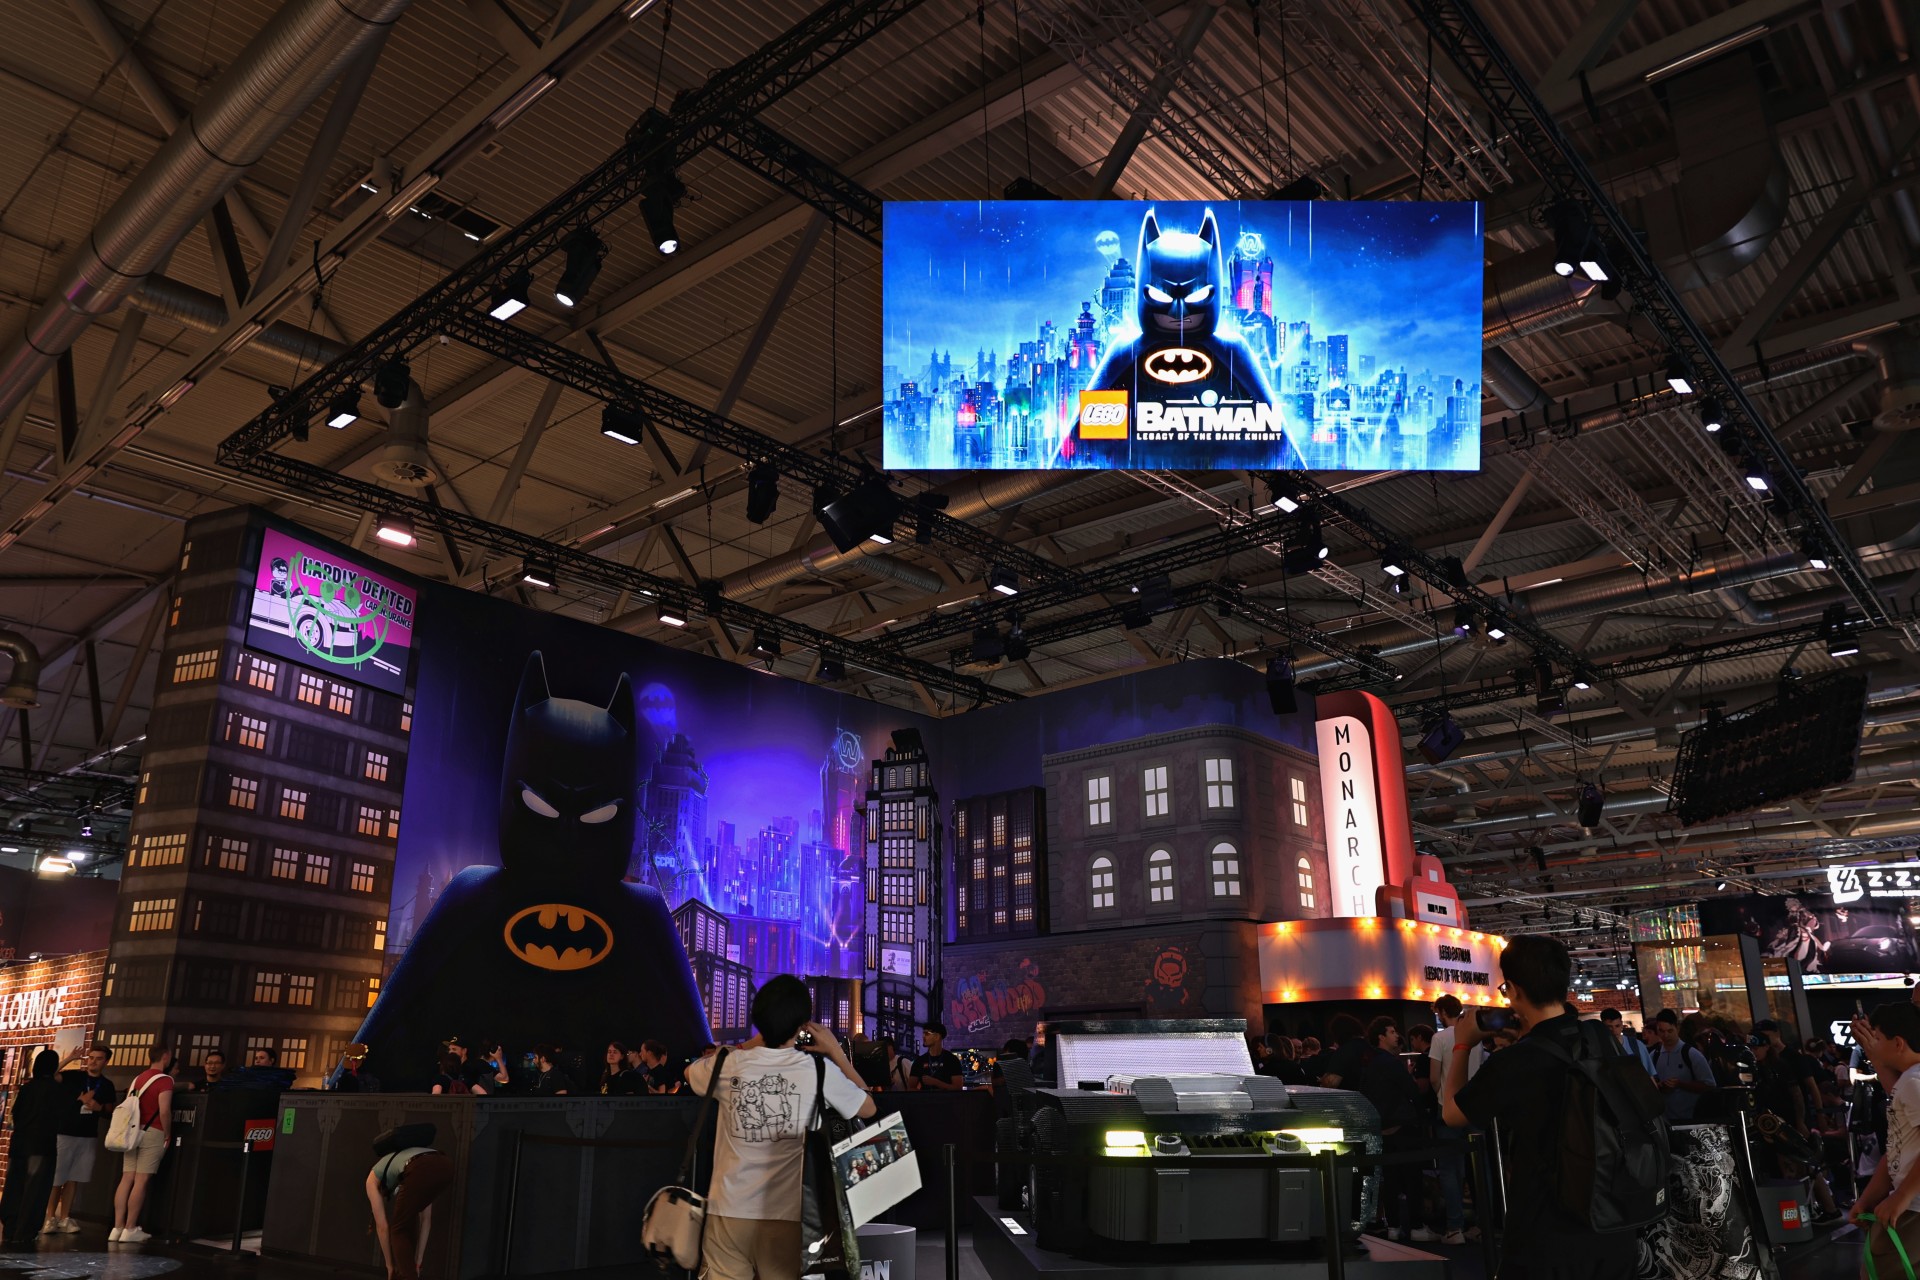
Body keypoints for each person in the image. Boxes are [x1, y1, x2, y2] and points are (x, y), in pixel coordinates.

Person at [1441, 935, 1638, 1279]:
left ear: (1513, 990)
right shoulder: (1599, 1036)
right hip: (1612, 1220)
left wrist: (1462, 1046)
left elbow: (1452, 1114)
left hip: (1545, 1230)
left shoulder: (1513, 1062)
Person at [684, 975, 876, 1280]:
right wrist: (835, 1052)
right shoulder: (818, 1070)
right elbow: (868, 1107)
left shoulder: (730, 1064)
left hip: (727, 1210)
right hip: (791, 1216)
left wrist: (754, 1042)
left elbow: (690, 1072)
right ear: (801, 1025)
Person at [1850, 1001, 1920, 1273]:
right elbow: (1898, 1148)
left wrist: (1901, 1196)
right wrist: (1870, 1198)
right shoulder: (1909, 1080)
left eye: (1877, 1037)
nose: (1872, 1042)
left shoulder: (1913, 1082)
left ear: (1898, 1042)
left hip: (1913, 1208)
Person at [1356, 1017, 1424, 1242]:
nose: (1397, 1035)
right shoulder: (1391, 1063)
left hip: (1380, 1127)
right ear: (1381, 1037)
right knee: (1412, 1177)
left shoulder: (1368, 1063)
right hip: (1401, 1125)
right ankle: (1416, 1225)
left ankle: (1393, 1224)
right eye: (1392, 1032)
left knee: (1390, 1178)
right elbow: (1412, 1091)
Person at [108, 1045, 175, 1244]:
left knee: (126, 1178)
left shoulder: (137, 1079)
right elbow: (164, 1110)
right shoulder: (165, 1080)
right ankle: (130, 1228)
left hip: (132, 1132)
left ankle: (117, 1228)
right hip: (153, 1131)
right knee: (141, 1180)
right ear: (165, 1056)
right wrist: (168, 1133)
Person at [46, 1045, 115, 1234]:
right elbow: (52, 1075)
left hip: (87, 1135)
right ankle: (50, 1217)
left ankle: (65, 1217)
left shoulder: (107, 1085)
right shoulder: (74, 1076)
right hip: (65, 1132)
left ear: (106, 1061)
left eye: (98, 1058)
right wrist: (69, 1058)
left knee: (74, 1178)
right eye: (91, 1057)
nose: (93, 1061)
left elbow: (110, 1111)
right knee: (57, 1178)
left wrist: (99, 1108)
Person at [366, 1135, 456, 1280]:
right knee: (406, 1222)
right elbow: (426, 1221)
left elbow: (382, 1227)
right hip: (445, 1164)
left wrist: (389, 1267)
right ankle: (408, 1272)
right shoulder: (402, 1169)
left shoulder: (372, 1179)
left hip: (419, 1167)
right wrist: (418, 1262)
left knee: (398, 1229)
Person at [0, 1050, 63, 1244]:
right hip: (42, 1146)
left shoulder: (26, 1088)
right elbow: (60, 1118)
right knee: (35, 1190)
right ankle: (25, 1232)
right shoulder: (56, 1090)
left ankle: (9, 1227)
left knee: (14, 1186)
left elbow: (16, 1114)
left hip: (19, 1143)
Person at [1423, 995, 1469, 1245]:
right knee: (1477, 1166)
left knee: (1449, 1169)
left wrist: (1441, 1094)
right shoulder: (1473, 1036)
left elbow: (1433, 1077)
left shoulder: (1439, 1038)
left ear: (1441, 1012)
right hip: (1473, 1106)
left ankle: (1455, 1227)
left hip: (1447, 1106)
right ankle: (1485, 1222)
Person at [1650, 1009, 1715, 1123]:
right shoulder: (1654, 1055)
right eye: (1661, 1031)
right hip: (1665, 1120)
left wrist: (1680, 1084)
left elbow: (1710, 1086)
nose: (1666, 1035)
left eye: (1670, 1031)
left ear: (1677, 1028)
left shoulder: (1691, 1054)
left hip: (1690, 1119)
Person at [911, 1023, 964, 1092]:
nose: (923, 1037)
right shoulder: (919, 1061)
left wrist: (936, 1082)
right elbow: (910, 1088)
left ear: (937, 1036)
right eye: (923, 1034)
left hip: (947, 1098)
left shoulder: (952, 1060)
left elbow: (958, 1088)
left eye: (927, 1034)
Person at [1599, 1009, 1654, 1074]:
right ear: (1602, 1027)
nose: (1614, 1030)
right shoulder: (1598, 1047)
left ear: (1622, 1024)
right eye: (1609, 1027)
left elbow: (1648, 1074)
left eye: (1617, 1026)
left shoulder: (1637, 1045)